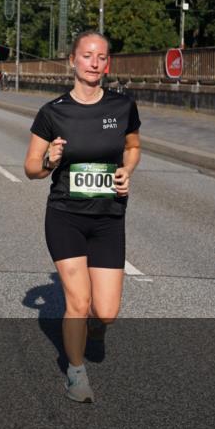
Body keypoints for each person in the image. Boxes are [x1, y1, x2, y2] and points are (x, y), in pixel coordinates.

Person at [24, 30, 141, 403]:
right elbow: (30, 168)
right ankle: (75, 373)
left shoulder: (123, 106)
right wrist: (50, 161)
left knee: (105, 312)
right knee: (77, 301)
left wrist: (127, 171)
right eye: (87, 56)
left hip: (108, 218)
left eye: (101, 57)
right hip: (66, 216)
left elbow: (133, 147)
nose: (94, 63)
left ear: (108, 64)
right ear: (73, 59)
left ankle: (97, 327)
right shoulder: (52, 112)